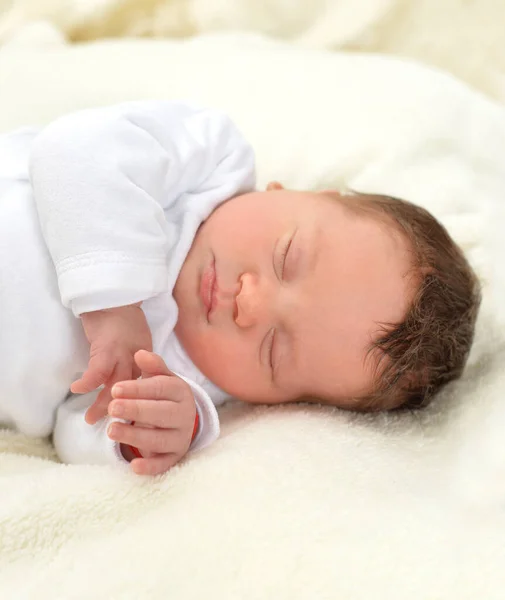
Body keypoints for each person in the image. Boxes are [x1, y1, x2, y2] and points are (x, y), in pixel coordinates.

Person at [0, 101, 481, 475]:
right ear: (302, 194)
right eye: (286, 256)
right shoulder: (208, 163)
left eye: (274, 350)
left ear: (280, 403)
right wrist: (112, 305)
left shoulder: (183, 385)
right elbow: (72, 146)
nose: (249, 304)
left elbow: (76, 429)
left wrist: (143, 436)